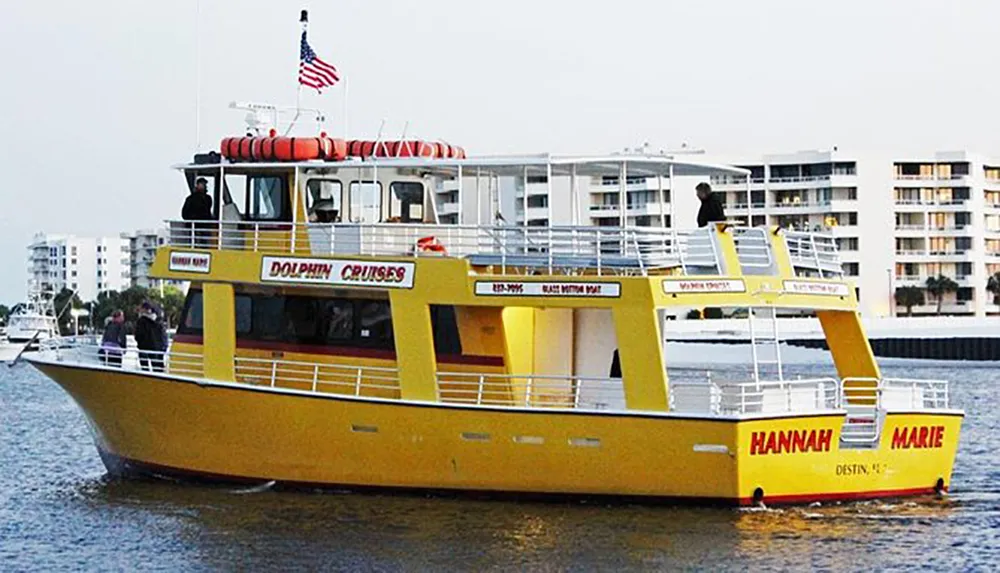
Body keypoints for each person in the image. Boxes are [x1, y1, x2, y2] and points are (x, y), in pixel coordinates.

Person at [135, 301, 167, 372]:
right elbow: (163, 334)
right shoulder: (159, 320)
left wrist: (140, 342)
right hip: (157, 348)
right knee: (158, 369)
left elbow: (138, 335)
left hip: (144, 347)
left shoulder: (141, 321)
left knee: (145, 370)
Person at [182, 177, 214, 247]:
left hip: (205, 225)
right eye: (202, 184)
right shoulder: (190, 199)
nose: (204, 186)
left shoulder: (208, 198)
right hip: (194, 225)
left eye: (204, 184)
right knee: (194, 241)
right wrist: (193, 218)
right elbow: (184, 213)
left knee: (205, 242)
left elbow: (208, 211)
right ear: (197, 185)